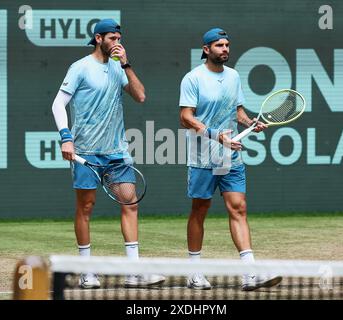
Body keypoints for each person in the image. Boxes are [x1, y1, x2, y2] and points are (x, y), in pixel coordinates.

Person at [52, 18, 164, 289]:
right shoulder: (80, 67)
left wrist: (125, 63)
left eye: (119, 38)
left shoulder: (118, 68)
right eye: (112, 38)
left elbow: (140, 96)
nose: (117, 42)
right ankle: (86, 271)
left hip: (117, 153)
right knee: (86, 208)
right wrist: (66, 138)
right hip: (86, 152)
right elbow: (58, 104)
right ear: (98, 38)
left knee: (130, 203)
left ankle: (133, 271)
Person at [179, 28, 282, 291]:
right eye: (219, 45)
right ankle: (194, 272)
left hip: (230, 156)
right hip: (202, 156)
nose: (225, 49)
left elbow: (237, 111)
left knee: (238, 207)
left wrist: (251, 122)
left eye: (227, 45)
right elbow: (186, 118)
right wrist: (217, 137)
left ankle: (250, 273)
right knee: (199, 210)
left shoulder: (234, 76)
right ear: (206, 49)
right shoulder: (193, 78)